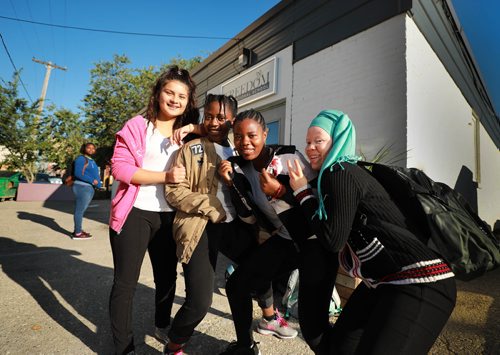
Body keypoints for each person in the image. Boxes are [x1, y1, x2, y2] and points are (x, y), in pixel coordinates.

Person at [286, 109, 457, 354]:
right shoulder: (337, 175)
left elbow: (332, 239)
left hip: (423, 282)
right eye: (308, 142)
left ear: (338, 140)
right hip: (384, 283)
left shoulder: (341, 171)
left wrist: (302, 192)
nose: (311, 147)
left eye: (319, 141)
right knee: (336, 348)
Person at [164, 96, 297, 355]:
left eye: (221, 118)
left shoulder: (238, 153)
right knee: (200, 301)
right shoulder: (192, 149)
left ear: (231, 122)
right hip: (200, 226)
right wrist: (210, 205)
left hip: (233, 225)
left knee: (258, 269)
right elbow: (174, 192)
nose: (214, 122)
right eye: (209, 117)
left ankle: (267, 320)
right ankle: (174, 344)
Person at [108, 66, 203, 355]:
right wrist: (165, 177)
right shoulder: (138, 126)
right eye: (170, 92)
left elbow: (223, 130)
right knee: (125, 284)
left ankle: (162, 325)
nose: (175, 99)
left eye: (182, 96)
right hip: (135, 212)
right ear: (158, 94)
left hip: (170, 216)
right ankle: (125, 348)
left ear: (188, 101)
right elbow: (120, 168)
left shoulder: (187, 132)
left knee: (167, 277)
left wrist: (193, 127)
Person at [217, 109, 316, 355]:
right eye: (238, 137)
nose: (245, 142)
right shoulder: (239, 168)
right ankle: (245, 347)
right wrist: (231, 184)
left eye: (252, 135)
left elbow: (317, 203)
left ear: (265, 133)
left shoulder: (288, 159)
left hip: (312, 243)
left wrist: (281, 191)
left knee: (314, 322)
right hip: (283, 240)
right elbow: (247, 213)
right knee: (237, 285)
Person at [71, 142, 101, 240]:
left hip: (89, 188)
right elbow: (78, 173)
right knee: (79, 210)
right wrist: (92, 181)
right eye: (89, 148)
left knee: (81, 210)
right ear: (84, 149)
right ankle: (78, 233)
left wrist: (99, 185)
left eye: (93, 148)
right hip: (82, 187)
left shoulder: (92, 161)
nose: (91, 150)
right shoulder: (81, 159)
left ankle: (78, 230)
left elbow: (95, 175)